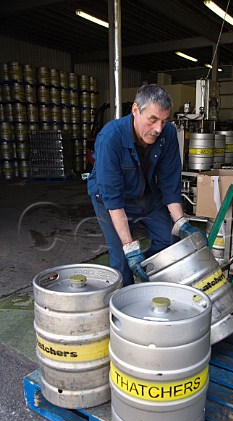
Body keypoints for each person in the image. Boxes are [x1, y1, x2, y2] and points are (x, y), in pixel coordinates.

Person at [88, 83, 206, 286]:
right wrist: (129, 247)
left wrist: (182, 224)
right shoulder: (110, 138)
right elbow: (113, 199)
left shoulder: (167, 133)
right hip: (111, 201)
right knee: (123, 260)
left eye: (164, 120)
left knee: (170, 242)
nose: (158, 129)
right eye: (152, 120)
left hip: (145, 194)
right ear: (135, 110)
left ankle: (150, 280)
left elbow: (169, 183)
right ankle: (126, 307)